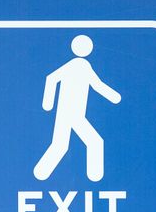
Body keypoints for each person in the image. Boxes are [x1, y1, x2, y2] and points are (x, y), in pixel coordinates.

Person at [35, 35, 121, 182]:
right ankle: (95, 177)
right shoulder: (78, 65)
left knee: (60, 145)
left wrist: (114, 97)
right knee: (94, 142)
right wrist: (47, 104)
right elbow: (52, 78)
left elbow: (96, 85)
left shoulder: (81, 65)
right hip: (72, 114)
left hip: (69, 114)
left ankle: (41, 173)